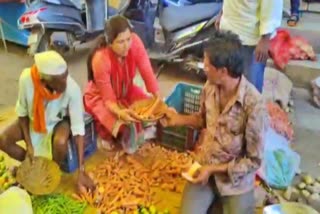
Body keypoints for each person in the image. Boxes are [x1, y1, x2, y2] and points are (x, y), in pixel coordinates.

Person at [161, 31, 268, 214]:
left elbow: (253, 160)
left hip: (235, 181)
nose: (204, 67)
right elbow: (203, 119)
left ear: (223, 71)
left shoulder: (254, 105)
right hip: (204, 168)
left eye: (207, 64)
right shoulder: (209, 87)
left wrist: (213, 169)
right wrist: (177, 119)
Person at [0, 51, 95, 192]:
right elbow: (22, 113)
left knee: (60, 142)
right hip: (33, 121)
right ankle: (31, 167)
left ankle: (51, 171)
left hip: (57, 122)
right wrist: (29, 144)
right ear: (44, 81)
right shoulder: (26, 79)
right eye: (60, 79)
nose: (65, 81)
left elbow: (78, 128)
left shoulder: (71, 88)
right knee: (3, 139)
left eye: (66, 75)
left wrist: (81, 169)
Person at [83, 15, 160, 154]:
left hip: (126, 90)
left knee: (150, 107)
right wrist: (120, 112)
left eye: (128, 39)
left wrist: (157, 97)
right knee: (119, 123)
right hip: (100, 96)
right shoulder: (100, 59)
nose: (126, 45)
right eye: (120, 42)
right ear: (110, 43)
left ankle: (133, 135)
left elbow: (146, 70)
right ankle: (106, 137)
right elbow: (108, 99)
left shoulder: (135, 42)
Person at [215, 0, 283, 93]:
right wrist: (221, 14)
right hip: (229, 33)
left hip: (250, 40)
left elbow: (272, 9)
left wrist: (264, 40)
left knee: (251, 88)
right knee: (228, 84)